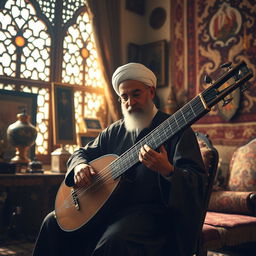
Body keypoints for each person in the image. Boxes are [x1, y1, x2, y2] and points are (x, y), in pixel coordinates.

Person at [33, 63, 207, 256]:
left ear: (151, 92)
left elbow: (197, 182)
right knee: (52, 222)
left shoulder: (178, 129)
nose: (130, 102)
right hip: (108, 209)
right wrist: (80, 166)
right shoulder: (114, 131)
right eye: (124, 97)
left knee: (113, 242)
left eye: (136, 94)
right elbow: (80, 153)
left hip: (150, 215)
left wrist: (167, 170)